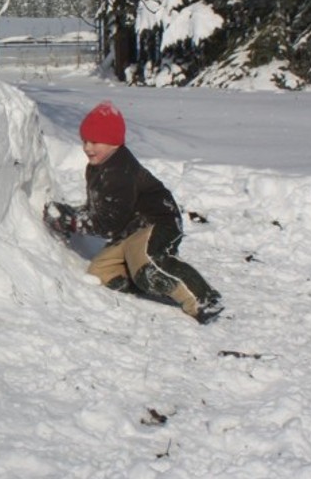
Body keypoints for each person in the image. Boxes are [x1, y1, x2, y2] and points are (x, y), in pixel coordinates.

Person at [45, 101, 223, 324]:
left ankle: (203, 298)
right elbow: (102, 209)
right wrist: (74, 213)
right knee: (100, 272)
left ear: (114, 142)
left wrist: (72, 222)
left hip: (157, 223)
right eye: (85, 141)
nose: (87, 148)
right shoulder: (98, 167)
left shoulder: (120, 172)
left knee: (148, 266)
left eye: (95, 142)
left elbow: (108, 224)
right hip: (130, 230)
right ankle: (143, 282)